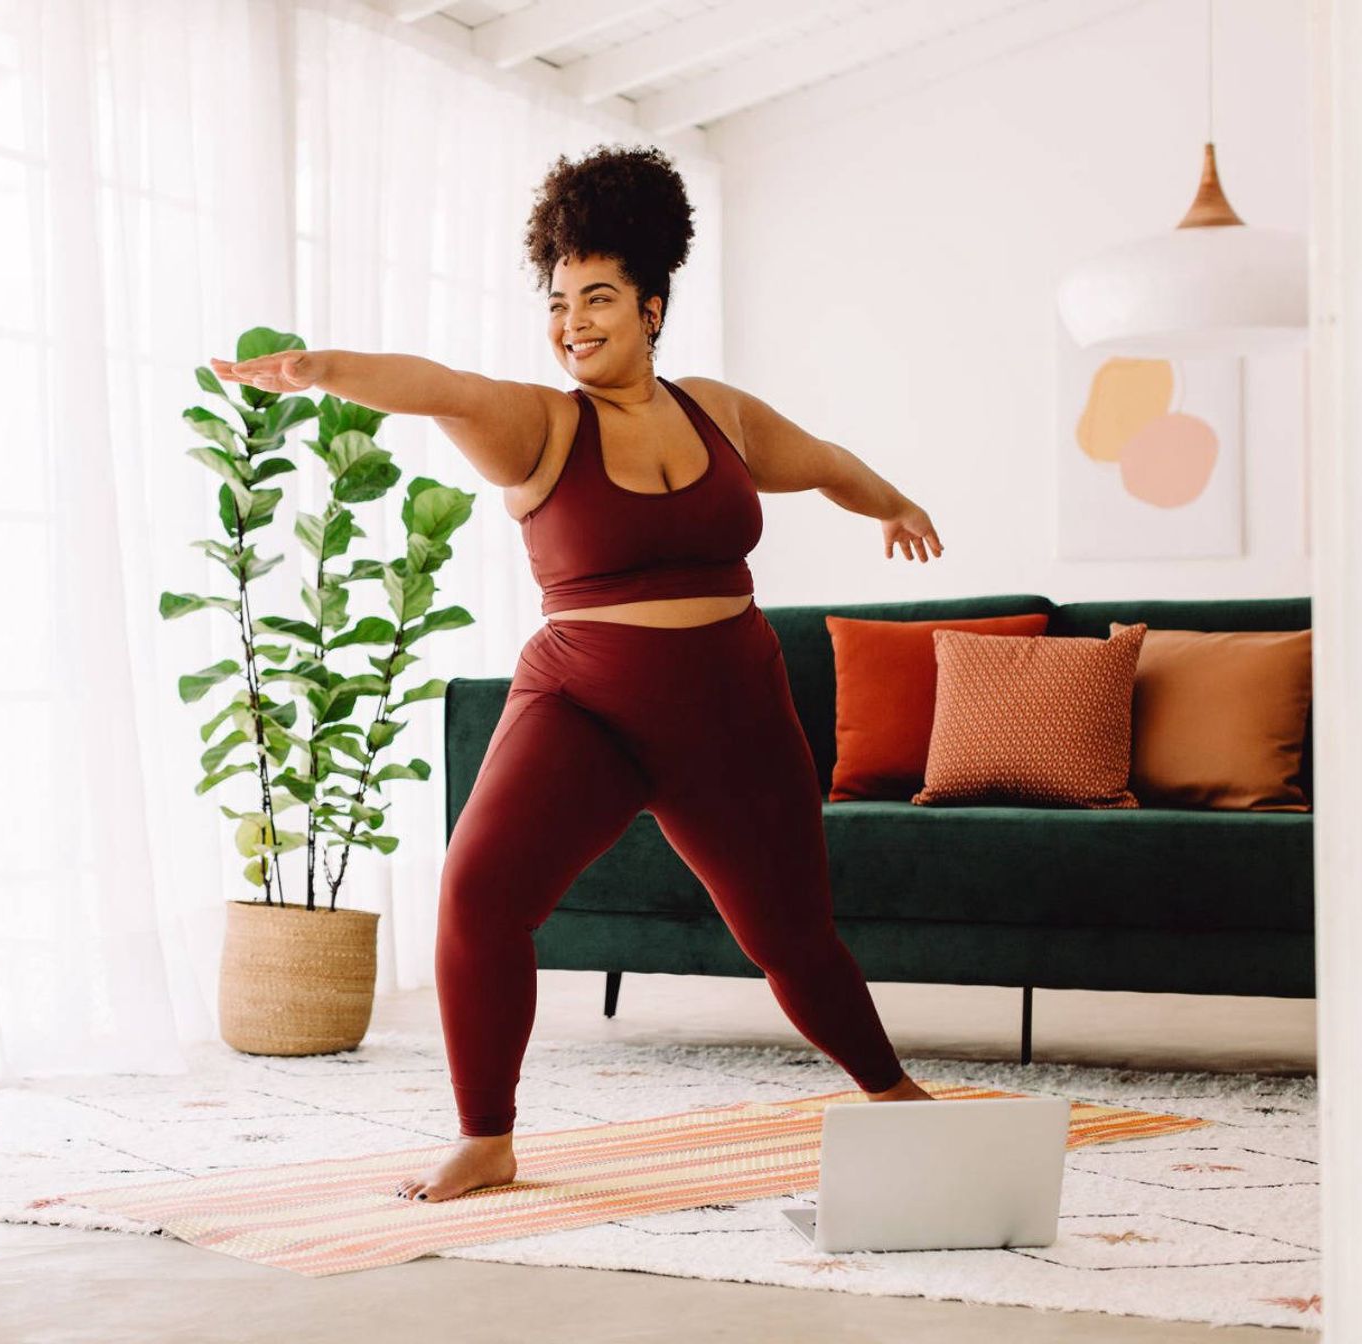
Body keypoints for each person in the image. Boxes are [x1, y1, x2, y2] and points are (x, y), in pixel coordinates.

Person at [211, 143, 945, 1205]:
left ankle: (889, 1092)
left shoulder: (718, 414)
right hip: (586, 706)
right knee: (477, 890)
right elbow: (442, 388)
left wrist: (892, 503)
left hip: (734, 708)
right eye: (557, 301)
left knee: (790, 936)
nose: (572, 322)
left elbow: (820, 459)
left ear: (652, 304)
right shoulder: (543, 424)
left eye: (597, 296)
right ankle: (486, 1136)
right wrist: (327, 372)